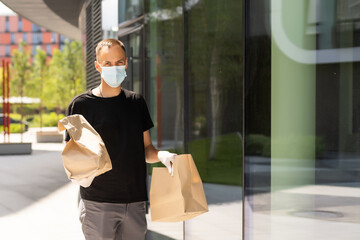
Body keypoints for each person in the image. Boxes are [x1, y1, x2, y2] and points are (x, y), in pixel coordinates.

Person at [64, 38, 176, 240]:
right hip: (98, 202)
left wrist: (162, 155)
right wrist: (82, 173)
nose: (113, 67)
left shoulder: (136, 103)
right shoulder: (81, 106)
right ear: (98, 66)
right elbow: (72, 156)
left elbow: (147, 149)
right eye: (107, 63)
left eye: (118, 62)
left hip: (134, 202)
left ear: (126, 63)